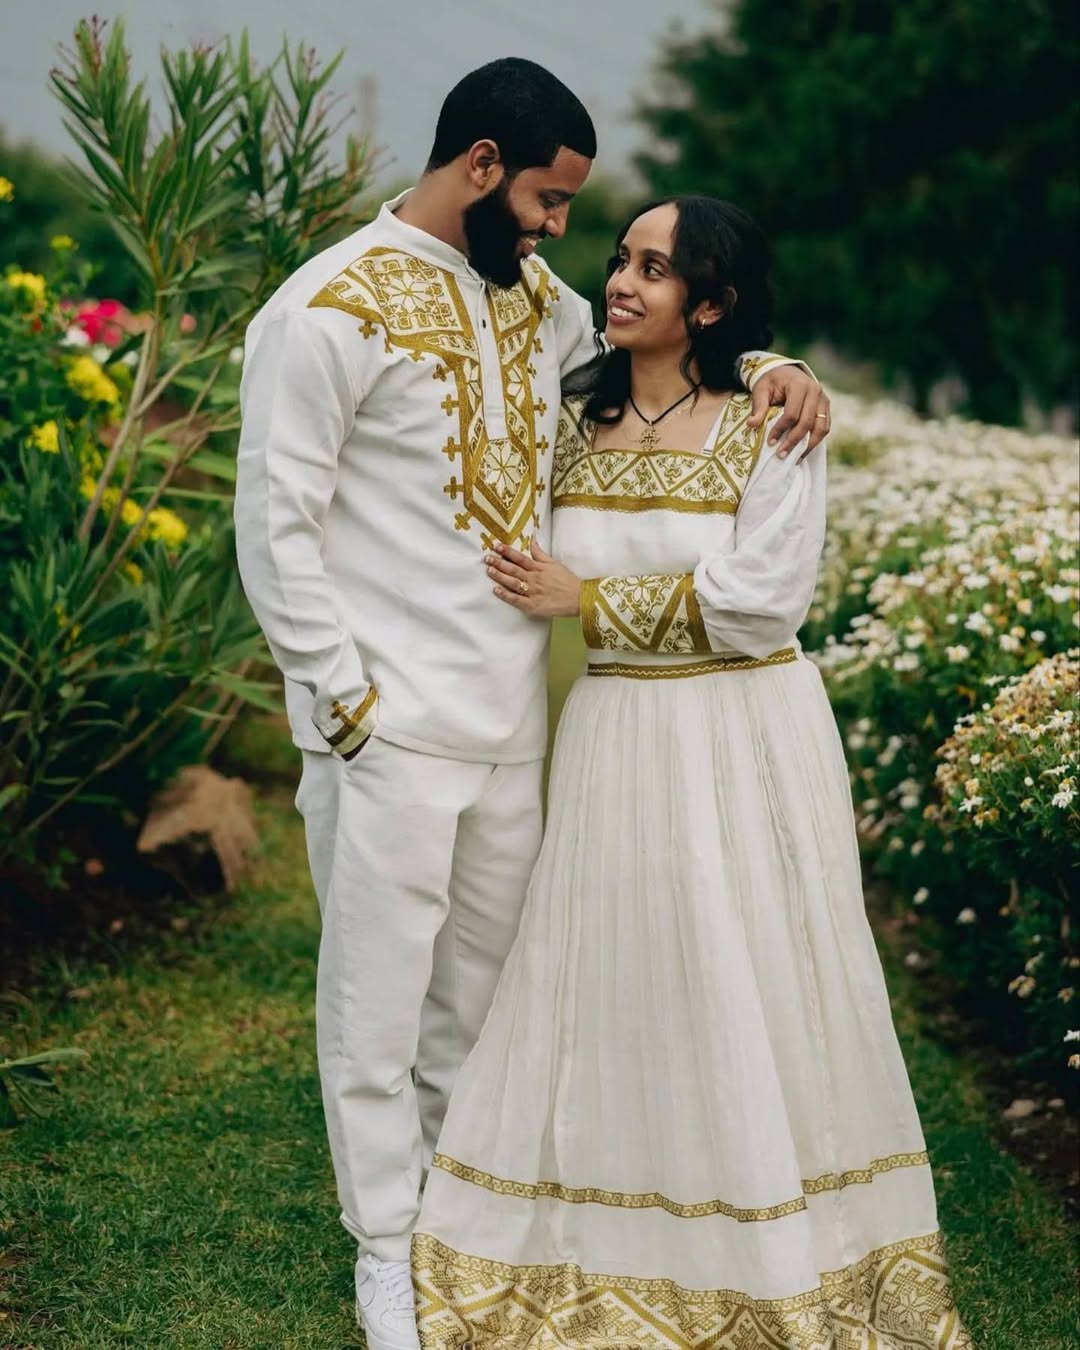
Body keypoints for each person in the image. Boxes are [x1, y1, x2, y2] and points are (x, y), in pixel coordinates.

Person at [234, 56, 829, 1349]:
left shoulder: (534, 305)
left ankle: (463, 1220)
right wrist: (345, 706)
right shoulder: (325, 309)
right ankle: (384, 1249)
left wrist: (777, 365)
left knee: (484, 1005)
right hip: (388, 729)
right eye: (553, 203)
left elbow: (677, 339)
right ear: (484, 169)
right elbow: (273, 526)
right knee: (376, 1009)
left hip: (516, 730)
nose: (567, 238)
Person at [412, 196, 972, 1350]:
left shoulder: (768, 427)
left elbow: (764, 601)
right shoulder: (576, 416)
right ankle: (614, 1228)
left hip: (744, 730)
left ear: (708, 304)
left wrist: (591, 600)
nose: (619, 280)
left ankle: (771, 1235)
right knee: (621, 970)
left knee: (745, 970)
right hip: (617, 734)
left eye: (653, 270)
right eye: (619, 257)